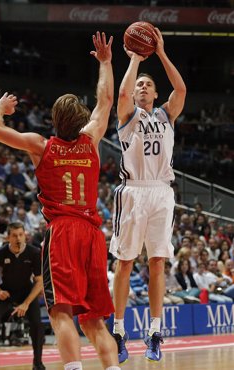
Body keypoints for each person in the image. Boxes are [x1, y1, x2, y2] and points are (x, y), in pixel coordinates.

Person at [0, 32, 120, 370]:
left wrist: (1, 107)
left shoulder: (40, 145)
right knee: (95, 319)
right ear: (80, 119)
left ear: (55, 121)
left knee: (61, 312)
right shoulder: (91, 140)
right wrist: (105, 62)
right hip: (92, 234)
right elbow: (105, 101)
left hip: (63, 233)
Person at [109, 26, 186, 363]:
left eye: (148, 85)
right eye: (140, 84)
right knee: (125, 263)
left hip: (161, 192)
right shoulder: (128, 115)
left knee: (157, 263)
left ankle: (155, 332)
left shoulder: (166, 114)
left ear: (156, 94)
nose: (142, 86)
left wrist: (162, 53)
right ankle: (119, 331)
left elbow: (181, 88)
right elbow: (122, 94)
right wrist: (137, 60)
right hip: (133, 191)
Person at [0, 222, 45, 370]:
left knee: (37, 325)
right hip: (5, 292)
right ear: (8, 237)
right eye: (14, 235)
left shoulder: (34, 253)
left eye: (21, 234)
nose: (18, 238)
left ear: (25, 235)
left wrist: (26, 303)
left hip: (27, 292)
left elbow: (39, 282)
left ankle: (37, 363)